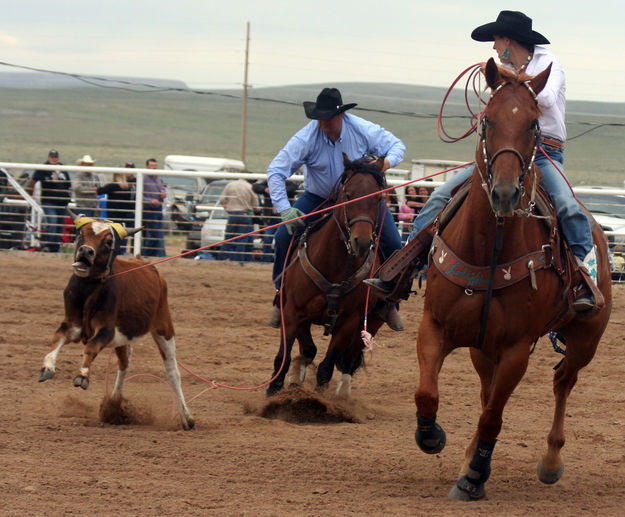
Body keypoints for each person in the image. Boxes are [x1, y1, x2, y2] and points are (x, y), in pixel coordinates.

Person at [366, 10, 601, 312]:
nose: (492, 48)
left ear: (507, 40)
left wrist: (508, 81)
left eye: (495, 41)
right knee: (439, 196)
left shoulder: (549, 65)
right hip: (501, 152)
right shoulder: (502, 68)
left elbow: (545, 99)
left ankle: (586, 278)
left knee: (568, 207)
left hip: (544, 153)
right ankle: (403, 268)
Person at [266, 87, 406, 330]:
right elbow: (276, 171)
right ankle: (281, 295)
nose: (323, 125)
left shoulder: (361, 128)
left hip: (359, 200)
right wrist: (284, 209)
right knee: (282, 237)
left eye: (327, 119)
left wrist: (384, 162)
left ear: (340, 115)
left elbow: (397, 146)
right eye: (319, 119)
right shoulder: (306, 138)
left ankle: (389, 303)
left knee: (393, 245)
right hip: (319, 198)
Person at [27, 150, 71, 252]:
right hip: (49, 201)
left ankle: (55, 247)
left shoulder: (62, 168)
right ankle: (48, 245)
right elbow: (33, 182)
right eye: (52, 157)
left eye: (56, 157)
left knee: (59, 224)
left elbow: (68, 184)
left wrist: (68, 197)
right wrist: (30, 197)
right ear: (49, 157)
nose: (54, 158)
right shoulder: (43, 168)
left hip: (62, 202)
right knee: (53, 221)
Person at [217, 178, 260, 262]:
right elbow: (256, 207)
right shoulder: (250, 187)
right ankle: (237, 260)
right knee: (242, 239)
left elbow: (222, 200)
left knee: (228, 238)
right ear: (251, 181)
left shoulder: (230, 185)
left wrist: (228, 209)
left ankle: (222, 258)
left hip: (232, 215)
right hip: (244, 215)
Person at [142, 158, 166, 257]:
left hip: (158, 208)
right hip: (149, 209)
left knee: (158, 233)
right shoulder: (143, 178)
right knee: (153, 234)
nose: (154, 168)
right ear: (147, 167)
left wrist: (163, 193)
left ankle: (158, 254)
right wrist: (149, 200)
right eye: (152, 166)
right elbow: (138, 194)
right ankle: (147, 254)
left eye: (155, 166)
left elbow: (162, 188)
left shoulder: (158, 178)